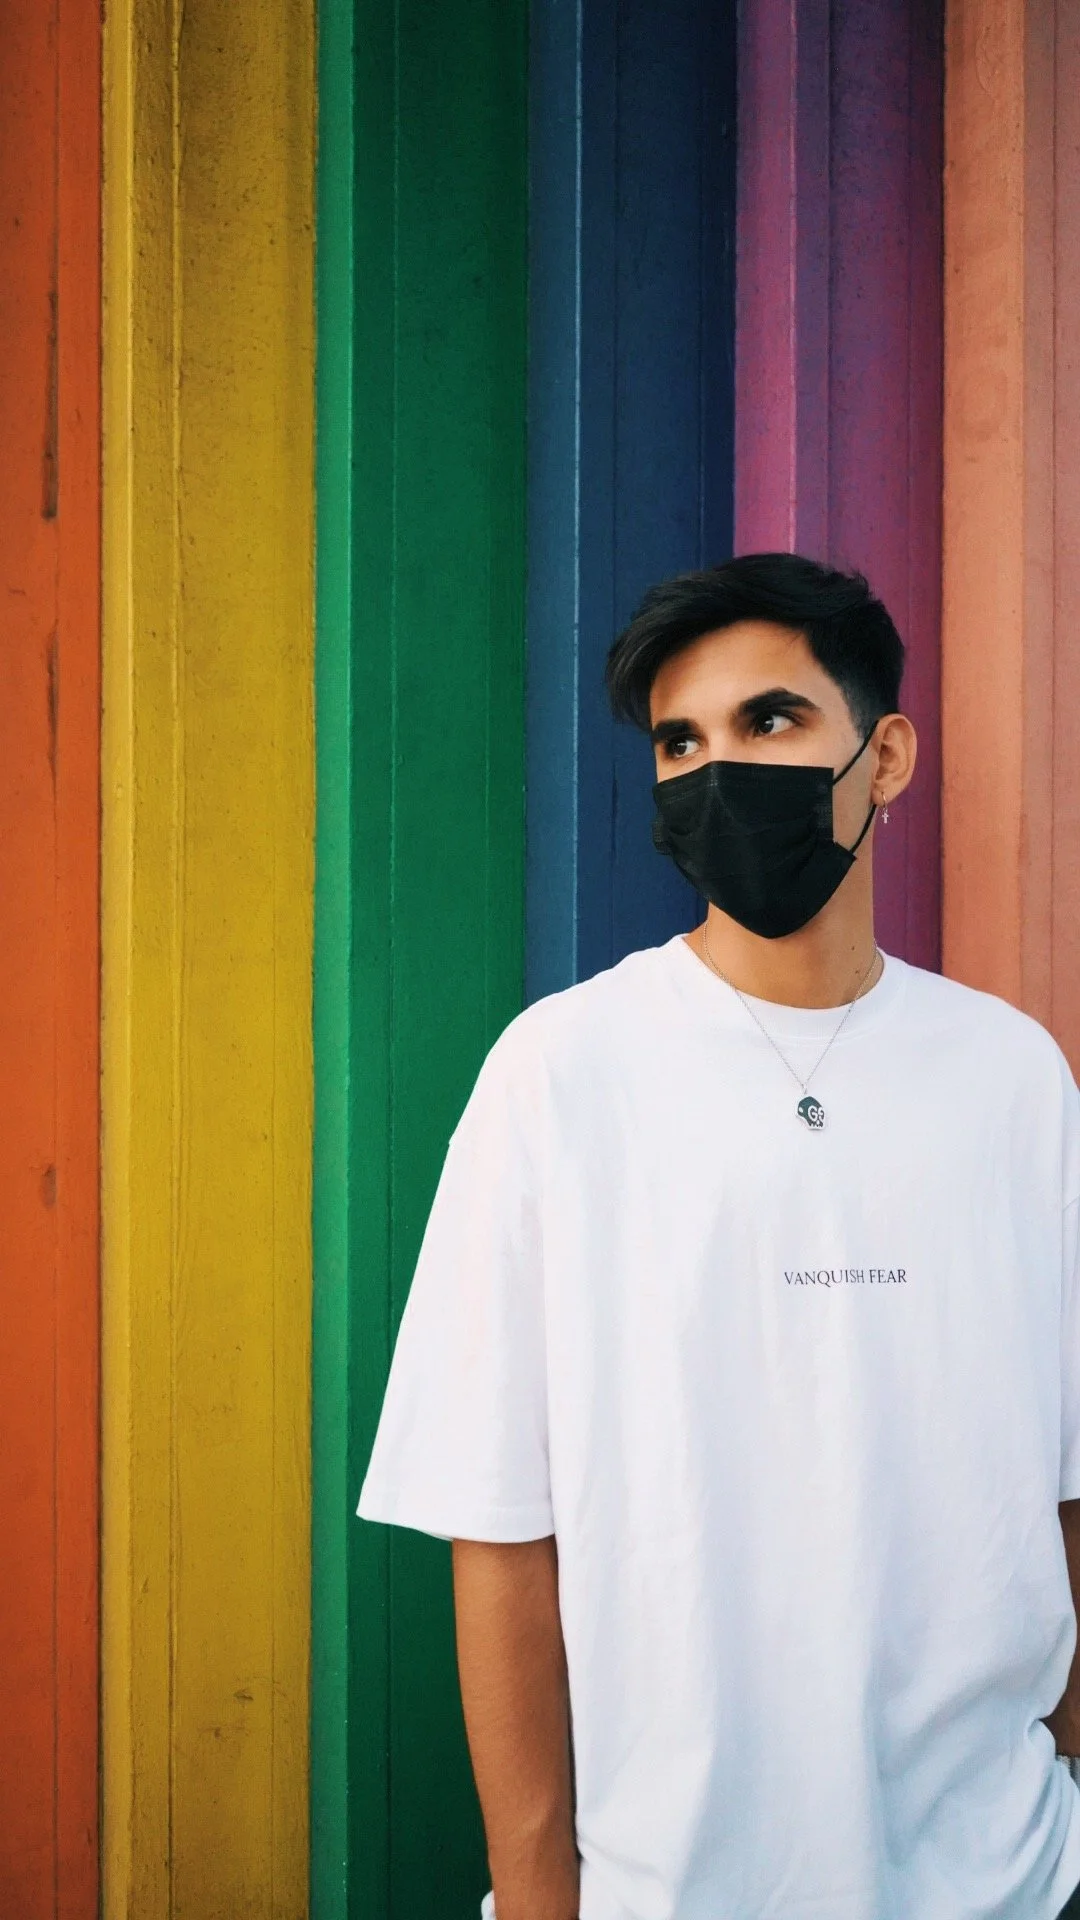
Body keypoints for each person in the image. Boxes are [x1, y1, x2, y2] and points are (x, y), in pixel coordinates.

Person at [357, 552, 1080, 1920]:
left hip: (1006, 1877)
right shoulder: (561, 1074)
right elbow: (497, 1530)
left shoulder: (1014, 1077)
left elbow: (1064, 1481)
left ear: (888, 755)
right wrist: (536, 1892)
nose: (716, 771)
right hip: (671, 1883)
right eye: (680, 742)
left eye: (771, 723)